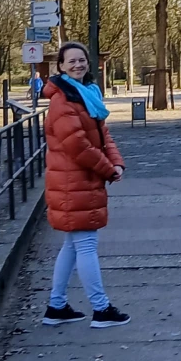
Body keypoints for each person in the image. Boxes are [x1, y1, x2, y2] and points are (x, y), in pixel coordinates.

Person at [41, 41, 130, 328]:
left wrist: (116, 163)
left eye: (82, 60)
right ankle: (101, 309)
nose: (78, 64)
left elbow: (103, 135)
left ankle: (56, 306)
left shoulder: (85, 95)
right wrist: (107, 169)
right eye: (72, 61)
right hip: (72, 183)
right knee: (86, 244)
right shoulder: (62, 101)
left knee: (72, 245)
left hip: (80, 182)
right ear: (61, 66)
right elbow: (77, 146)